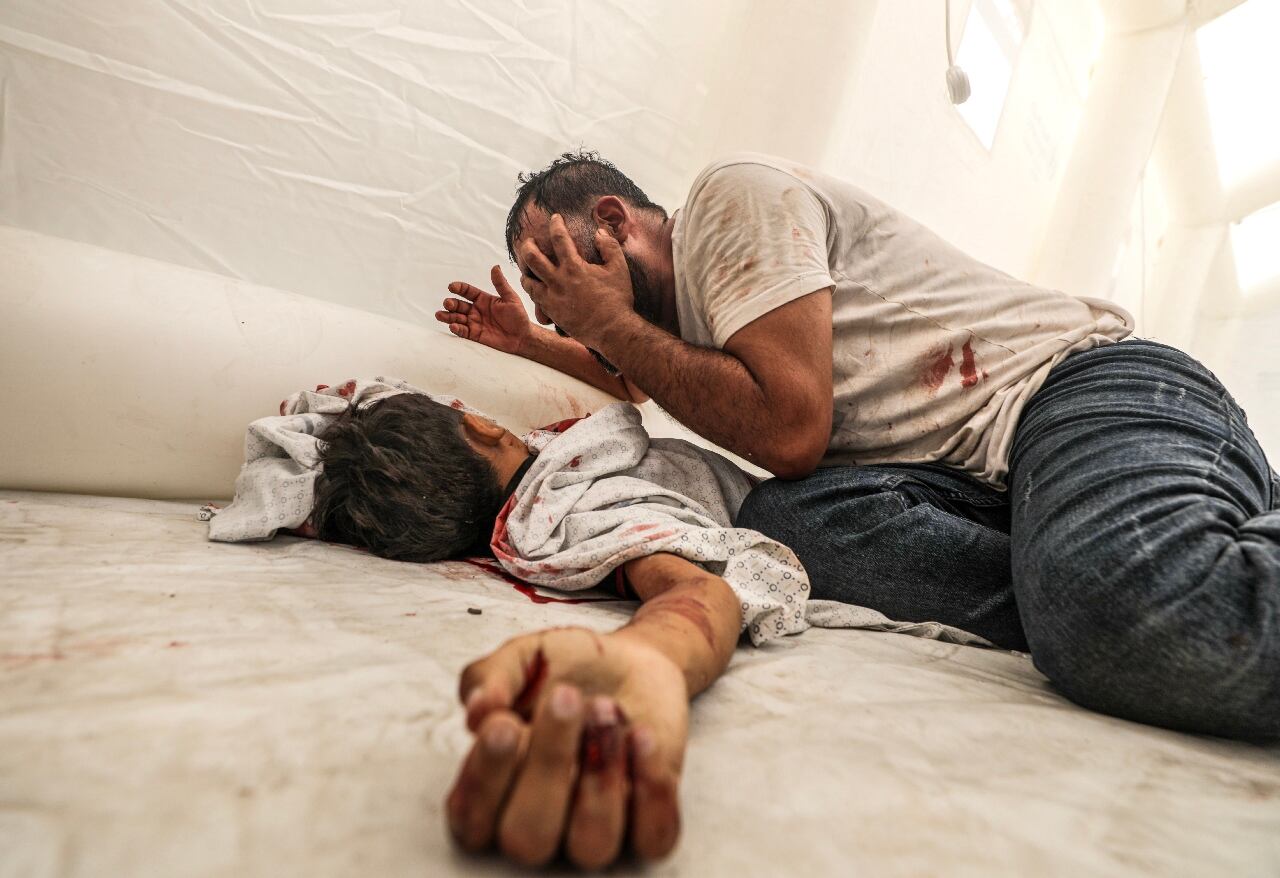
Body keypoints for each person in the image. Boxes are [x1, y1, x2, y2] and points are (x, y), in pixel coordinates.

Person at [437, 148, 1279, 865]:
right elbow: (648, 379)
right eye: (549, 301)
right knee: (783, 524)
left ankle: (1119, 571)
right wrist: (535, 341)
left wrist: (604, 324)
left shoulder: (730, 201)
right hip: (985, 483)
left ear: (617, 222)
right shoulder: (682, 326)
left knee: (1131, 608)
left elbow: (793, 427)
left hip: (1076, 390)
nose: (561, 306)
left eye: (559, 272)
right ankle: (1101, 557)